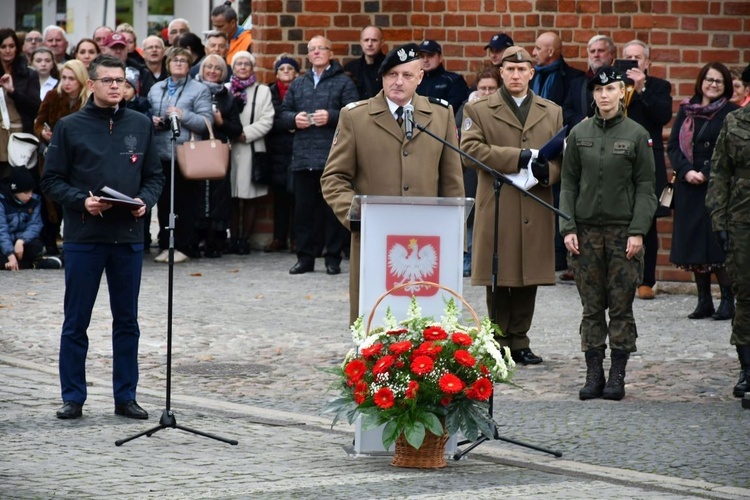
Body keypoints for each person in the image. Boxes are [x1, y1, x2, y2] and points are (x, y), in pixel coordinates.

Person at [40, 54, 164, 420]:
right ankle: (73, 396)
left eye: (120, 81)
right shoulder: (69, 126)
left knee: (127, 321)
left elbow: (154, 175)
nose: (115, 86)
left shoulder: (140, 125)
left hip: (127, 236)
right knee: (76, 320)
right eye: (108, 80)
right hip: (84, 235)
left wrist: (146, 200)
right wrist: (83, 202)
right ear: (91, 84)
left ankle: (125, 396)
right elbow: (51, 180)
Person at [321, 43, 465, 323]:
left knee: (425, 315)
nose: (398, 82)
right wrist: (357, 217)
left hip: (428, 240)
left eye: (407, 75)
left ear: (420, 78)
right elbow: (334, 177)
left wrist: (454, 232)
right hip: (374, 236)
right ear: (382, 77)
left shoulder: (440, 115)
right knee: (375, 315)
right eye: (392, 74)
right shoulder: (356, 116)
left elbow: (452, 181)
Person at [460, 46, 563, 365]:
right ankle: (497, 339)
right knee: (498, 273)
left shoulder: (551, 110)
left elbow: (561, 156)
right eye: (510, 70)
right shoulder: (478, 109)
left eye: (522, 70)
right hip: (499, 201)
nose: (516, 75)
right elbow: (469, 150)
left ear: (532, 73)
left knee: (528, 274)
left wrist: (550, 172)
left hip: (534, 200)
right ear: (501, 73)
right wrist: (516, 157)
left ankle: (520, 339)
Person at [559, 67, 657, 401]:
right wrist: (567, 226)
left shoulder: (636, 135)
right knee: (591, 307)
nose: (604, 95)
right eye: (598, 90)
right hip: (585, 233)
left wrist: (638, 231)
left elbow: (646, 187)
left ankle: (617, 374)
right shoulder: (579, 133)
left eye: (611, 89)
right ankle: (593, 372)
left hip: (622, 233)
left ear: (622, 92)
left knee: (620, 305)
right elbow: (568, 183)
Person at [280, 35, 358, 275]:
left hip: (331, 156)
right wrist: (294, 119)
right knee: (303, 211)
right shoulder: (299, 83)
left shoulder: (344, 83)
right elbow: (283, 113)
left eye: (320, 48)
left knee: (331, 211)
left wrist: (332, 116)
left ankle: (332, 258)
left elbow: (354, 113)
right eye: (311, 49)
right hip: (303, 156)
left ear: (330, 53)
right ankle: (304, 258)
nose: (315, 52)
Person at [668, 62, 739, 320]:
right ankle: (704, 301)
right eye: (709, 79)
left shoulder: (732, 113)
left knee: (717, 245)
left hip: (718, 187)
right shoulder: (687, 111)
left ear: (726, 86)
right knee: (695, 246)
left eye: (719, 81)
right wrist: (686, 170)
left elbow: (732, 151)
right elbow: (674, 146)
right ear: (701, 81)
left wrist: (707, 173)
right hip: (689, 186)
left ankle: (728, 302)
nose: (713, 84)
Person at [618, 40, 674, 300]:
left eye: (638, 57)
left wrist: (642, 90)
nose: (633, 61)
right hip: (617, 159)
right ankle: (619, 278)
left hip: (646, 160)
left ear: (647, 62)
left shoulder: (659, 87)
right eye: (628, 57)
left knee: (647, 220)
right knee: (616, 219)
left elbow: (662, 117)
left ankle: (646, 280)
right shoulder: (612, 84)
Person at [148, 47, 213, 263]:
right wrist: (153, 121)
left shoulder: (199, 89)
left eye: (183, 60)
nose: (178, 63)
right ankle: (166, 243)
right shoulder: (157, 89)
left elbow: (206, 122)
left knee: (185, 202)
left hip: (186, 154)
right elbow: (148, 112)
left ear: (189, 65)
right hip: (160, 153)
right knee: (164, 202)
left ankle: (184, 245)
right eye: (174, 60)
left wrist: (183, 115)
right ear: (168, 64)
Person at [706, 90, 750, 402]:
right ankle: (747, 369)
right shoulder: (735, 120)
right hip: (742, 218)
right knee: (745, 294)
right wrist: (718, 220)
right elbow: (720, 171)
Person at [530, 31, 585, 273]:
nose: (533, 53)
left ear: (551, 51)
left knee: (562, 200)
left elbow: (574, 111)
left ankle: (561, 257)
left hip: (561, 150)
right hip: (531, 149)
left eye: (537, 48)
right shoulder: (529, 77)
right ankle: (536, 255)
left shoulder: (574, 79)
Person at [34, 59, 91, 255]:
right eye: (64, 78)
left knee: (75, 199)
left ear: (81, 80)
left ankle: (74, 244)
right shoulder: (53, 96)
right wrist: (43, 133)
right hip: (52, 155)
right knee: (51, 200)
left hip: (79, 158)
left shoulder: (88, 100)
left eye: (72, 79)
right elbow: (38, 122)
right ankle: (50, 243)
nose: (66, 83)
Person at [225, 51, 273, 255]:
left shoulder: (262, 91)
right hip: (229, 149)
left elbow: (267, 119)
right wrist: (230, 134)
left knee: (250, 196)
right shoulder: (226, 89)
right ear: (233, 67)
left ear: (252, 67)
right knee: (232, 196)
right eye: (239, 64)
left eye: (247, 64)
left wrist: (245, 134)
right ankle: (233, 238)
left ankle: (245, 239)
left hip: (251, 147)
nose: (243, 67)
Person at [455, 66, 501, 277]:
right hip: (469, 169)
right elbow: (455, 135)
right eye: (483, 88)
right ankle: (467, 254)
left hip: (497, 167)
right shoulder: (467, 108)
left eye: (492, 88)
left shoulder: (503, 108)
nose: (487, 92)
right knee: (471, 213)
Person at [195, 53, 242, 257]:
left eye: (217, 68)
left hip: (218, 150)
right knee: (196, 193)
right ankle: (197, 237)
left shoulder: (228, 97)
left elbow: (237, 128)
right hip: (196, 149)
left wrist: (221, 123)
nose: (212, 71)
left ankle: (216, 240)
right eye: (208, 67)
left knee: (219, 195)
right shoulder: (194, 91)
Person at [264, 54, 300, 253]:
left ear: (296, 73)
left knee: (297, 197)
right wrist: (290, 123)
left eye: (290, 69)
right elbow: (270, 119)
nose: (286, 72)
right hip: (276, 151)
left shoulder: (301, 89)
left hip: (296, 149)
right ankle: (279, 237)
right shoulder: (269, 92)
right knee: (279, 198)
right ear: (276, 73)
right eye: (282, 69)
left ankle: (296, 238)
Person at [0, 29, 41, 181]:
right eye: (3, 46)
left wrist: (12, 91)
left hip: (20, 137)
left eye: (11, 46)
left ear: (17, 47)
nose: (8, 50)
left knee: (20, 185)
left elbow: (35, 107)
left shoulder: (29, 74)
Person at [0, 167, 45, 270]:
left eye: (31, 191)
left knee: (36, 246)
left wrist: (21, 240)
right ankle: (29, 264)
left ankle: (13, 264)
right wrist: (10, 253)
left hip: (22, 241)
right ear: (15, 191)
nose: (29, 195)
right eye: (25, 192)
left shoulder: (35, 201)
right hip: (5, 242)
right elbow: (2, 229)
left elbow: (35, 225)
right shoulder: (2, 201)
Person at [416, 39, 470, 115]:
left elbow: (454, 109)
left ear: (440, 58)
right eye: (422, 56)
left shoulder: (453, 80)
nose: (425, 60)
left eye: (430, 55)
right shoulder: (414, 80)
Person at [343, 26, 386, 100]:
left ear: (382, 42)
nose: (369, 44)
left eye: (374, 40)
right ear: (361, 42)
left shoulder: (390, 66)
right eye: (366, 40)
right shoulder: (350, 68)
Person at [211, 1, 253, 65]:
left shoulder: (248, 41)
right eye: (215, 26)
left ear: (232, 23)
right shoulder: (216, 40)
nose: (217, 30)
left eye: (220, 26)